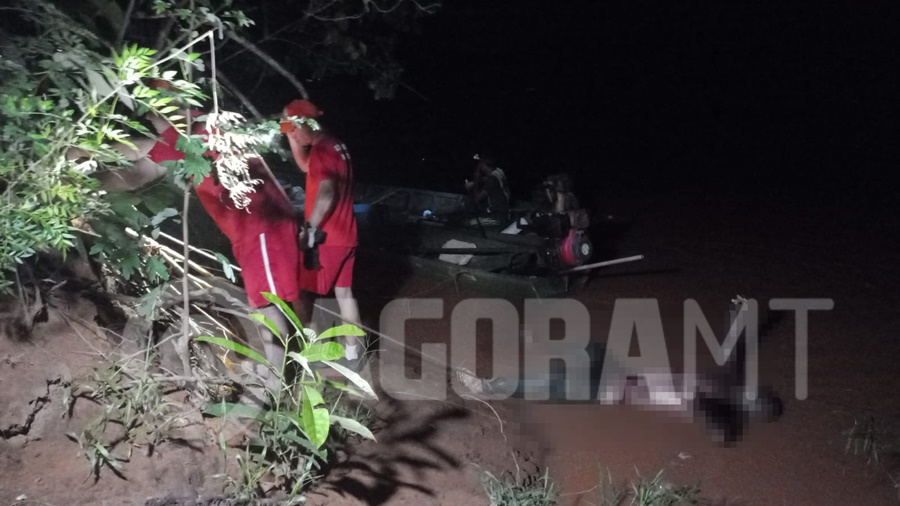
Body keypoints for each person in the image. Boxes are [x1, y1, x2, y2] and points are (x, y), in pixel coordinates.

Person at [72, 89, 300, 397]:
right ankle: (283, 371)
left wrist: (78, 163)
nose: (150, 120)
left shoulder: (189, 131)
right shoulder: (204, 126)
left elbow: (137, 170)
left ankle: (276, 383)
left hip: (259, 222)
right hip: (263, 220)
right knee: (270, 298)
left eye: (152, 112)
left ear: (172, 106)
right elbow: (143, 156)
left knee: (266, 302)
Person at [280, 99, 364, 371]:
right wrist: (290, 136)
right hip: (348, 234)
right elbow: (306, 167)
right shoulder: (335, 145)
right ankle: (353, 354)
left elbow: (327, 191)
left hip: (328, 238)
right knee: (344, 293)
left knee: (303, 294)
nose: (292, 134)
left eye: (294, 129)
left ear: (307, 124)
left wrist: (310, 228)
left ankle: (313, 353)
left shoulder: (322, 151)